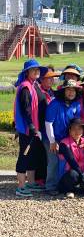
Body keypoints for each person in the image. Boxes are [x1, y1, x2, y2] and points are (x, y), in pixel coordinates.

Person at [13, 60, 47, 197]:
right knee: (24, 156)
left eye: (38, 69)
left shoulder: (34, 85)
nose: (36, 71)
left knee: (31, 156)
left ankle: (31, 182)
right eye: (33, 70)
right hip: (26, 129)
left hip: (33, 129)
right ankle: (20, 186)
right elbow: (26, 110)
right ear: (27, 72)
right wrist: (32, 126)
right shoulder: (26, 87)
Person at [45, 79, 81, 195]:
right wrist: (52, 141)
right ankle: (50, 187)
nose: (71, 93)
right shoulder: (54, 104)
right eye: (68, 90)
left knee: (66, 162)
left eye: (73, 90)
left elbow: (76, 123)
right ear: (64, 91)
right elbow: (48, 123)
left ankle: (64, 186)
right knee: (54, 161)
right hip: (52, 138)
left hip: (67, 139)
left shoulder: (76, 104)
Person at [34, 66, 59, 185]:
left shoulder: (52, 92)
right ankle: (41, 180)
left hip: (51, 130)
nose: (52, 80)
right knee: (41, 156)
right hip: (40, 129)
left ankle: (47, 179)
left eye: (53, 78)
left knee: (49, 157)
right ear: (42, 79)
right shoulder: (37, 92)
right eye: (49, 78)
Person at [57, 118, 84, 198]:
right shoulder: (63, 143)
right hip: (70, 173)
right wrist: (82, 175)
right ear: (69, 130)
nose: (77, 131)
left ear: (83, 131)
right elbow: (71, 160)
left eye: (79, 129)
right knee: (73, 174)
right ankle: (69, 190)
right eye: (74, 129)